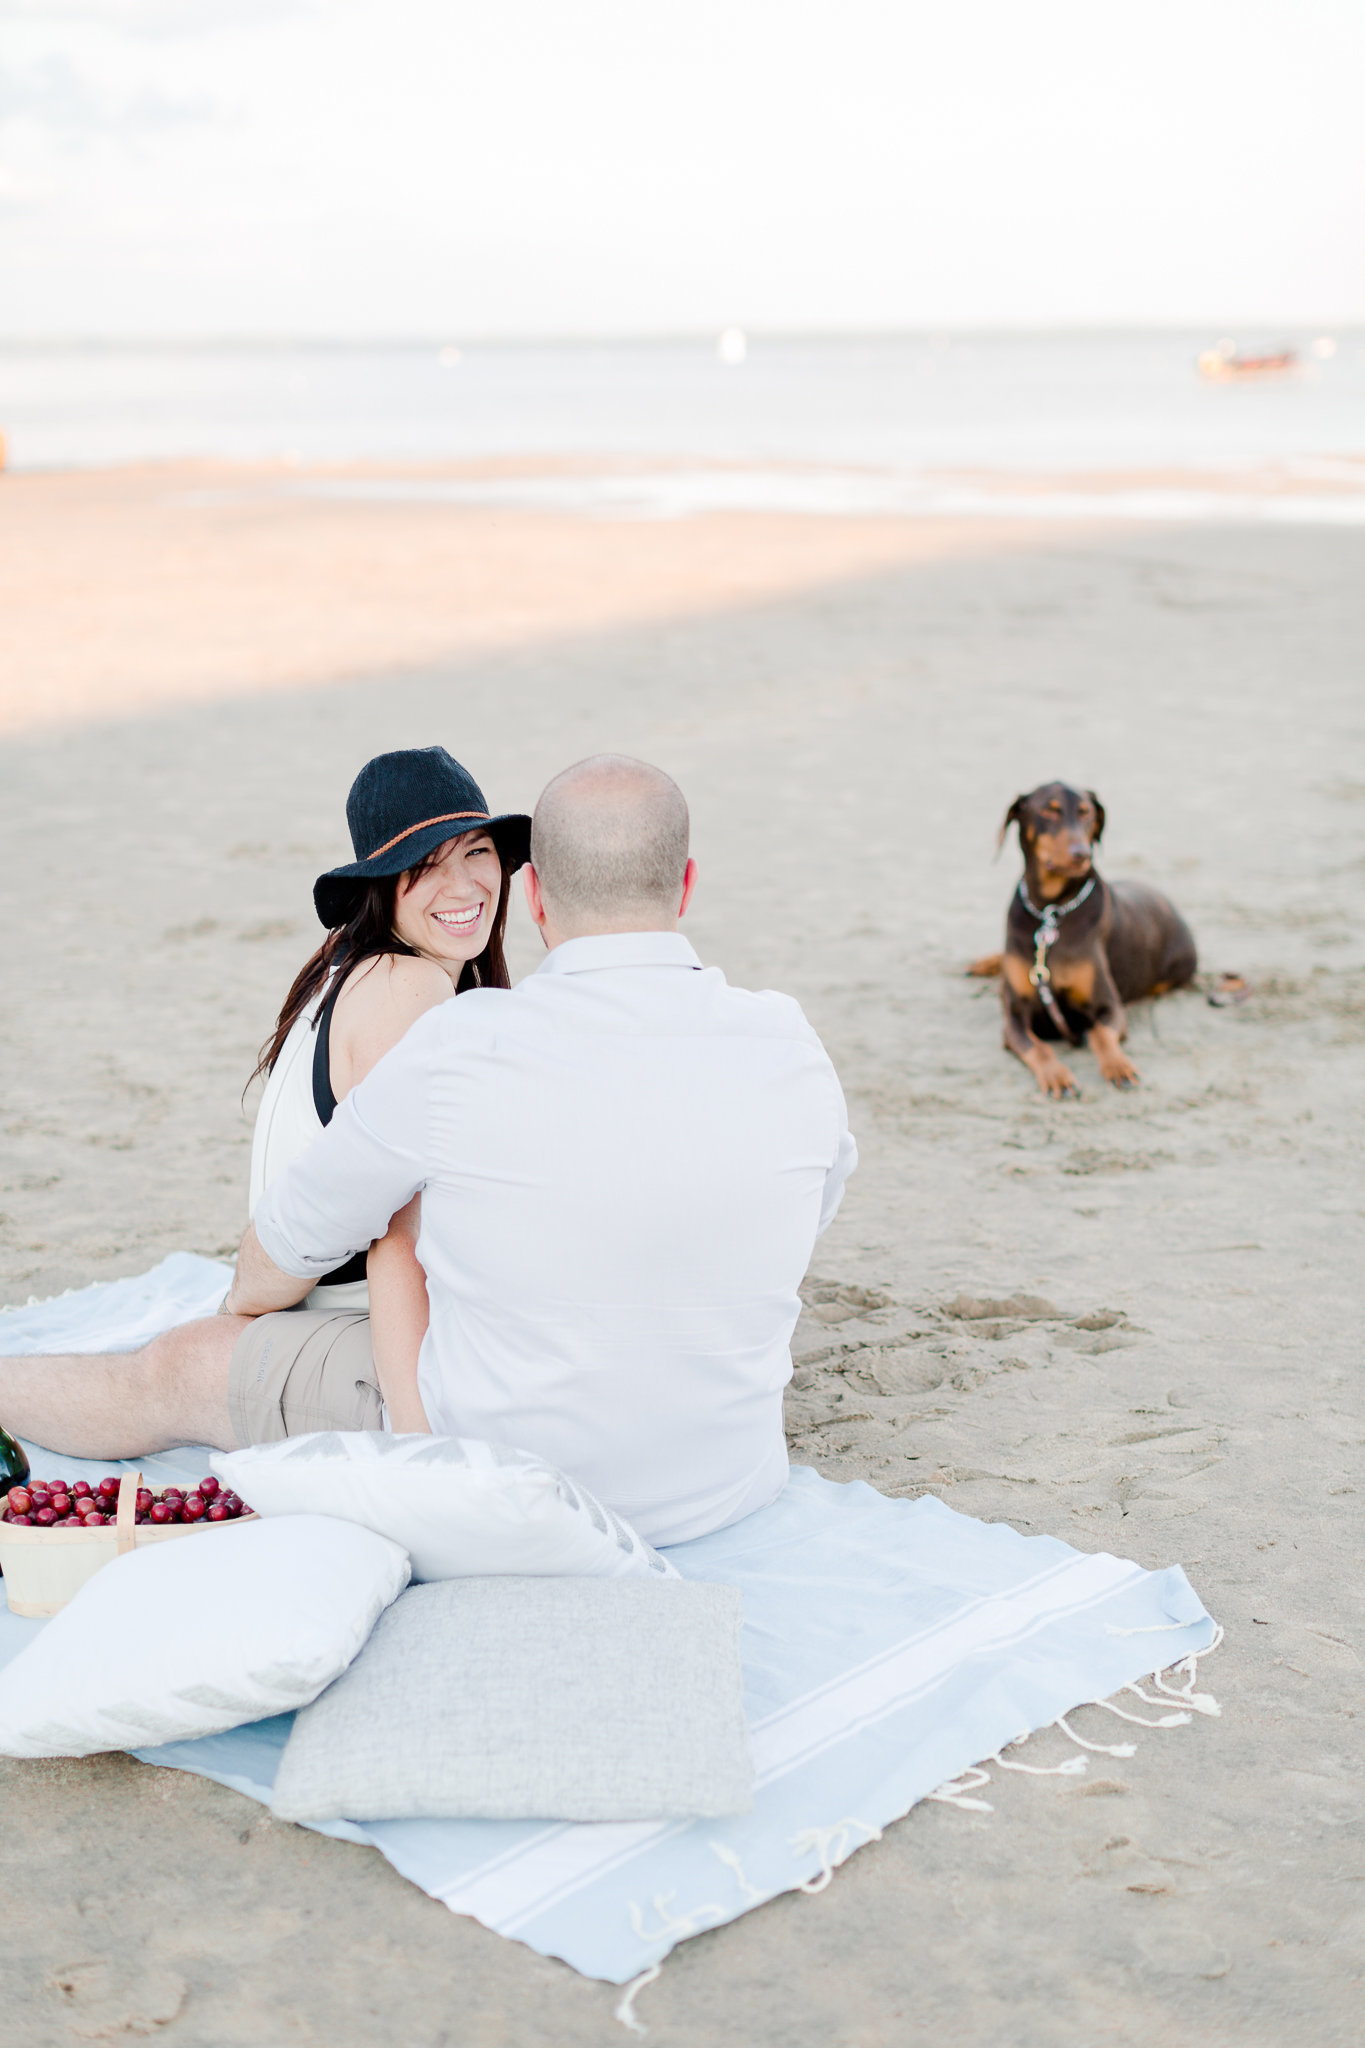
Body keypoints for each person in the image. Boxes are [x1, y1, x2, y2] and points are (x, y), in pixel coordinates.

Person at [0, 756, 855, 1547]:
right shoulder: (788, 1037)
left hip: (511, 1479)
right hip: (721, 1483)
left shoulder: (459, 1042)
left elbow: (296, 1239)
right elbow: (803, 1211)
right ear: (687, 885)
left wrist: (245, 1312)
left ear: (539, 896)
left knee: (177, 1367)